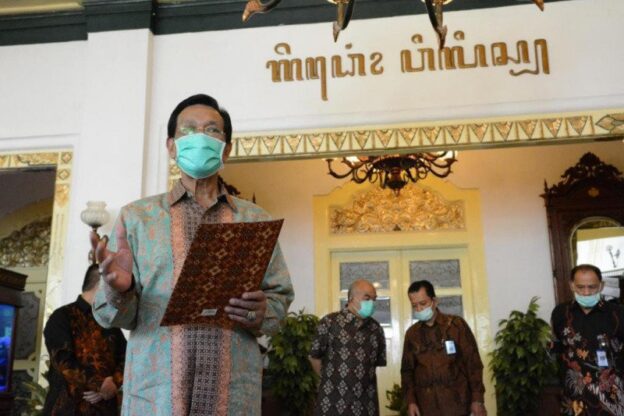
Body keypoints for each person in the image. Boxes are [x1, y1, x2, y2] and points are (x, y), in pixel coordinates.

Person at [90, 93, 294, 415]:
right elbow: (110, 317)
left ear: (226, 148)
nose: (200, 136)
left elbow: (279, 298)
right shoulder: (137, 218)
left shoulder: (256, 220)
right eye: (188, 129)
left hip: (231, 397)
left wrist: (263, 310)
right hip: (157, 398)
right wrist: (119, 291)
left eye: (212, 130)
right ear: (171, 146)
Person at [43, 264, 126, 416]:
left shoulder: (108, 321)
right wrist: (100, 384)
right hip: (67, 409)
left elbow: (126, 357)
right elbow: (63, 361)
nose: (118, 294)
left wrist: (112, 384)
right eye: (114, 287)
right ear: (102, 285)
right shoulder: (62, 317)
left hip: (106, 410)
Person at [401, 280, 486, 416]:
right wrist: (411, 402)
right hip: (427, 406)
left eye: (423, 303)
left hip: (458, 404)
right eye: (414, 306)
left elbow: (473, 364)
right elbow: (407, 372)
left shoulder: (456, 325)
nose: (419, 309)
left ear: (434, 301)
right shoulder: (412, 334)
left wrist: (477, 399)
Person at [551, 264, 624, 416]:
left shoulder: (617, 314)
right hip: (574, 397)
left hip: (610, 397)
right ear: (572, 285)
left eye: (592, 287)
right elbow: (558, 346)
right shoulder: (560, 313)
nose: (586, 292)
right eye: (580, 287)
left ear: (601, 286)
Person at [309, 279, 386, 416]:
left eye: (374, 299)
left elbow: (376, 363)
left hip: (366, 404)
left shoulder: (376, 329)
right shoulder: (329, 322)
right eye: (367, 298)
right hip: (332, 402)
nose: (371, 303)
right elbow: (314, 356)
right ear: (351, 298)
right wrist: (328, 381)